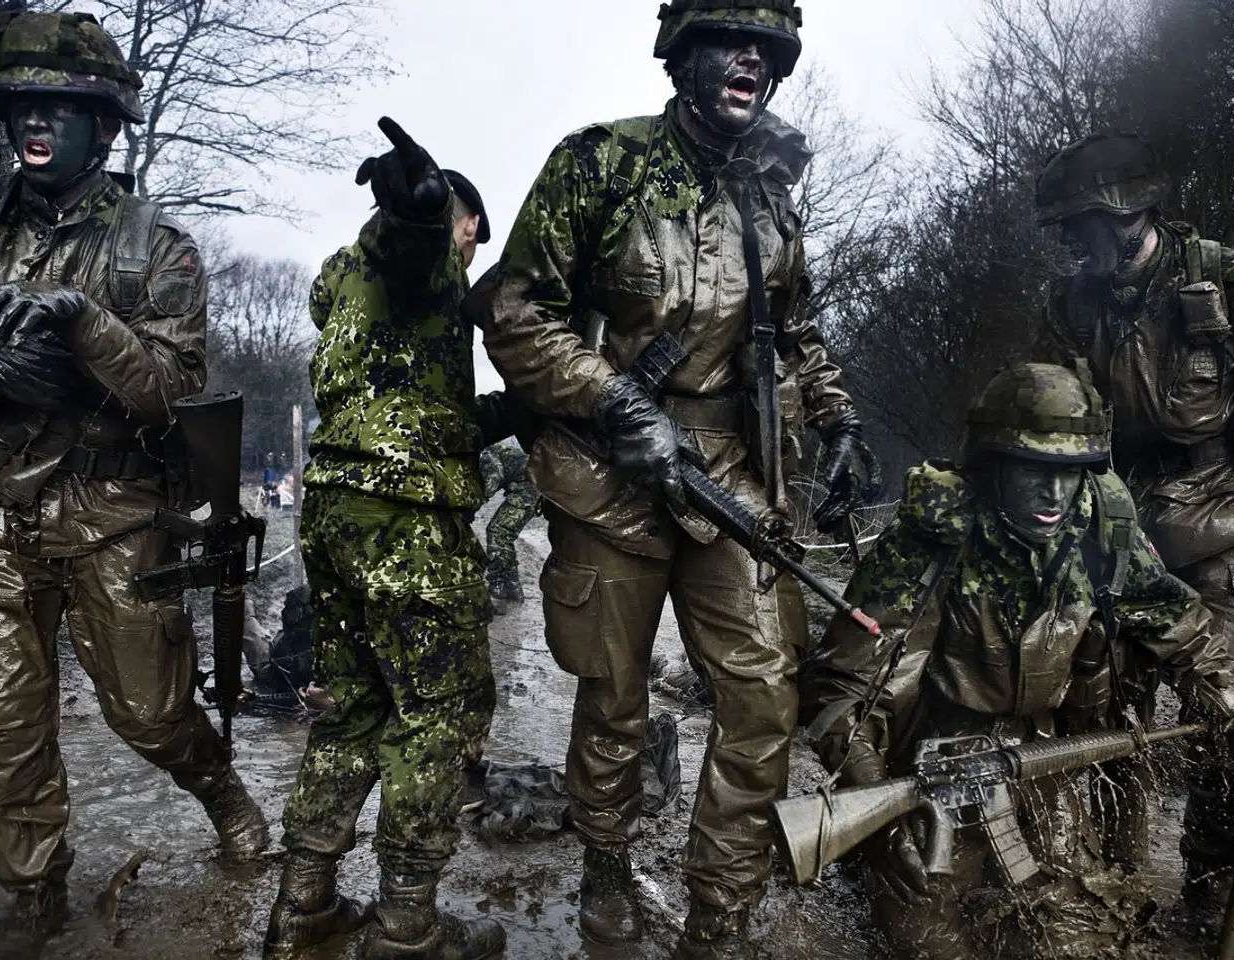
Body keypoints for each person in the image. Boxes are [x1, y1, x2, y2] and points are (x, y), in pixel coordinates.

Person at [479, 2, 865, 955]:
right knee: (612, 699)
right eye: (731, 45)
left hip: (730, 482)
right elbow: (517, 313)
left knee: (764, 701)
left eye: (766, 50)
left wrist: (839, 419)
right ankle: (607, 863)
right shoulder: (600, 161)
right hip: (606, 477)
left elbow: (799, 331)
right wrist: (618, 404)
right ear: (683, 58)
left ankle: (717, 918)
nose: (751, 61)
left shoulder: (771, 196)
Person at [0, 11, 266, 941]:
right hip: (2, 511)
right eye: (23, 104)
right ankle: (37, 896)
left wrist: (79, 321)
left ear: (105, 125)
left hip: (118, 514)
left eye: (62, 109)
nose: (37, 123)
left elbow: (172, 389)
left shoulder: (155, 247)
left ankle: (222, 790)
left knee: (151, 716)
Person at [800, 362, 1234, 960]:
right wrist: (876, 817)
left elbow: (1184, 635)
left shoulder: (1103, 532)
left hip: (1041, 763)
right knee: (931, 943)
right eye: (1036, 469)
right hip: (932, 770)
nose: (1055, 495)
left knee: (1081, 937)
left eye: (1070, 472)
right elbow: (846, 687)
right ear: (994, 462)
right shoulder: (935, 537)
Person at [1030, 133, 1234, 902]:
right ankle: (1117, 879)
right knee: (1108, 706)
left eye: (1081, 227)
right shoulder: (1070, 305)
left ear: (1123, 215)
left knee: (1228, 717)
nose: (1074, 248)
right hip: (1128, 527)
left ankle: (1211, 896)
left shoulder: (1229, 283)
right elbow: (1044, 412)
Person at [263, 118, 505, 960]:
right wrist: (419, 216)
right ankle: (407, 929)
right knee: (440, 713)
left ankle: (303, 907)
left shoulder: (348, 289)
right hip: (405, 522)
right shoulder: (421, 259)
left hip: (334, 509)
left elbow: (422, 415)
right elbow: (409, 248)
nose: (474, 241)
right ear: (457, 222)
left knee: (354, 710)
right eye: (473, 224)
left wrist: (519, 413)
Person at [477, 439, 539, 603]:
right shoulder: (492, 451)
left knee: (498, 531)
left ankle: (497, 586)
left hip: (529, 488)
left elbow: (492, 480)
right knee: (504, 535)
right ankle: (513, 587)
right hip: (530, 487)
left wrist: (474, 503)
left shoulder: (485, 454)